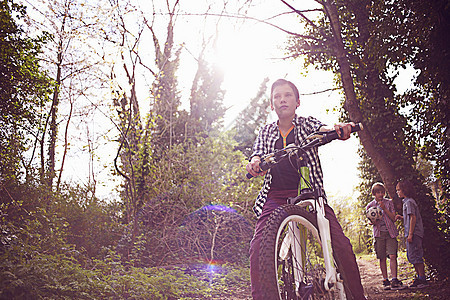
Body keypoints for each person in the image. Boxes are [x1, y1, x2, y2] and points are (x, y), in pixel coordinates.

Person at [246, 78, 365, 299]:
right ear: (272, 105)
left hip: (309, 193)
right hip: (276, 196)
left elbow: (323, 130)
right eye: (277, 96)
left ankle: (357, 296)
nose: (282, 99)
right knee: (258, 247)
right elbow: (257, 153)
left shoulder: (306, 123)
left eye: (288, 95)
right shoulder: (266, 132)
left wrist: (338, 129)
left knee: (341, 244)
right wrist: (254, 163)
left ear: (297, 101)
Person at [365, 182, 404, 290]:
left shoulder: (389, 203)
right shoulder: (370, 206)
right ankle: (385, 280)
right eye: (378, 192)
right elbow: (369, 220)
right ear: (374, 193)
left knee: (392, 255)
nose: (381, 194)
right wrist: (372, 222)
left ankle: (394, 279)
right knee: (382, 257)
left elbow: (393, 218)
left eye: (382, 192)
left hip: (390, 232)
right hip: (379, 234)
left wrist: (384, 209)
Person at [395, 179, 428, 289]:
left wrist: (410, 234)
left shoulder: (409, 202)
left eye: (399, 190)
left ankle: (422, 279)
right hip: (411, 233)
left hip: (414, 233)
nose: (397, 192)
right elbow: (409, 217)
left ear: (405, 190)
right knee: (412, 256)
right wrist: (402, 217)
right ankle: (419, 277)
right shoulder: (407, 202)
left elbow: (413, 218)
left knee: (416, 256)